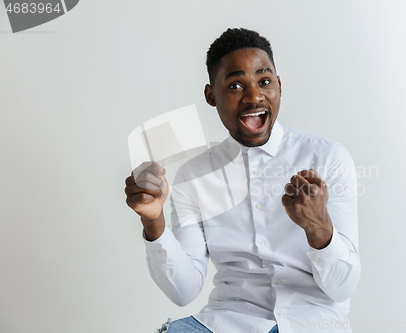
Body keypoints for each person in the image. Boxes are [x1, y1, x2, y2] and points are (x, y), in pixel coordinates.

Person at [125, 28, 360, 333]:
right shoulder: (194, 177)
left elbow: (342, 288)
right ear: (211, 96)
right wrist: (153, 222)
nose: (254, 96)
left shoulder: (328, 158)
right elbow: (183, 292)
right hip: (226, 322)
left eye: (264, 81)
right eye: (235, 85)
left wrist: (319, 227)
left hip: (311, 322)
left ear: (279, 85)